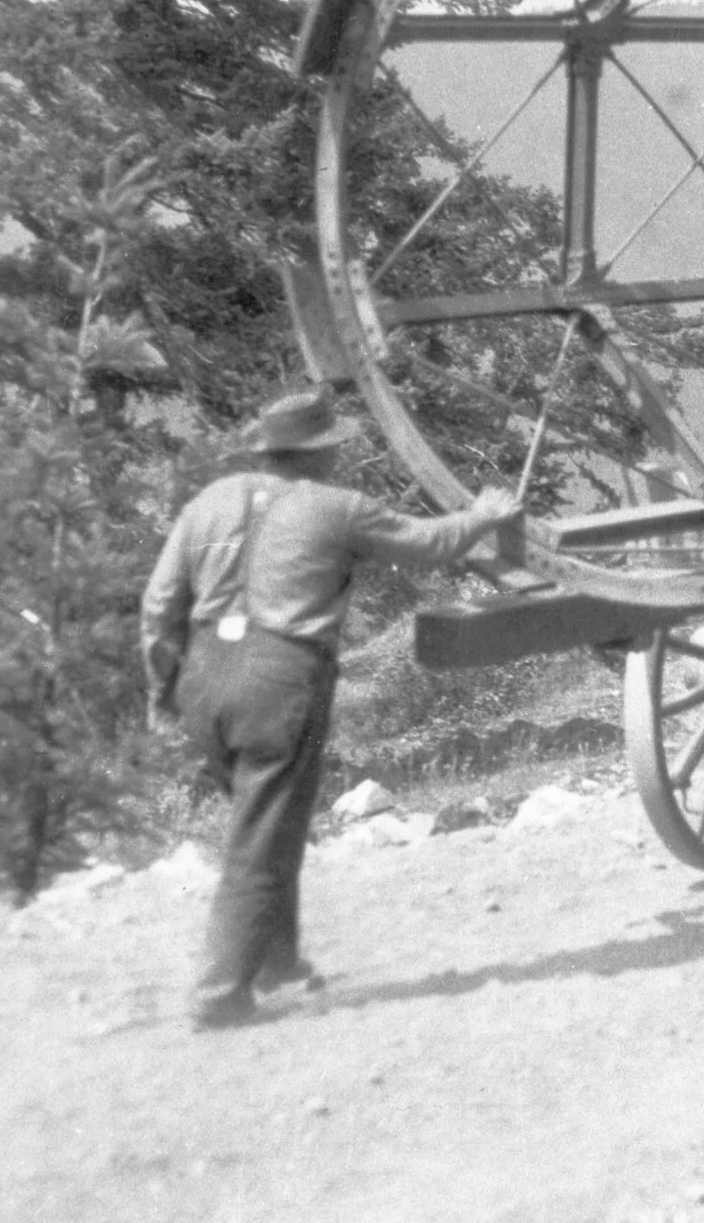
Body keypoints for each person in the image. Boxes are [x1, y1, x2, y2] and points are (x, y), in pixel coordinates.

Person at [142, 387, 521, 1030]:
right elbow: (430, 544)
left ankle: (277, 962)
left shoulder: (209, 502)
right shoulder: (340, 508)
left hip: (204, 675)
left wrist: (161, 690)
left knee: (268, 817)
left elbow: (159, 605)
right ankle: (218, 991)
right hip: (280, 674)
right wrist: (484, 514)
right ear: (320, 453)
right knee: (260, 833)